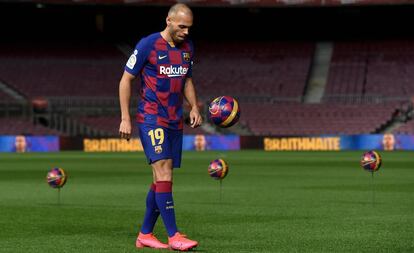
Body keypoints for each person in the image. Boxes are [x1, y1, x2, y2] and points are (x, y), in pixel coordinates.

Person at [118, 3, 202, 251]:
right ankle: (174, 236)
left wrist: (194, 107)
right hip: (152, 117)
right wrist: (125, 117)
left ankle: (145, 234)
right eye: (182, 26)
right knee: (163, 173)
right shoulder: (148, 44)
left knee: (162, 179)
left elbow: (187, 79)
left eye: (189, 27)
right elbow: (126, 79)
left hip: (175, 120)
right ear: (168, 20)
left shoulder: (188, 48)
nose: (186, 32)